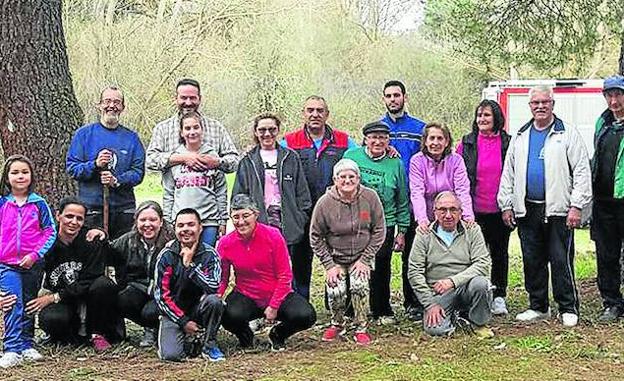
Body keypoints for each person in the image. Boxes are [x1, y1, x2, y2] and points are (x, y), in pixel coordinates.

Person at [498, 85, 592, 327]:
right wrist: (506, 204)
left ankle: (568, 307)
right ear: (529, 106)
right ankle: (538, 306)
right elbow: (508, 173)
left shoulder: (566, 133)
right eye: (535, 103)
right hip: (528, 208)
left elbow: (582, 171)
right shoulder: (520, 136)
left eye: (545, 102)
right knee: (532, 259)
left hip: (559, 210)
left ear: (553, 103)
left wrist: (577, 205)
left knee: (561, 259)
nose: (540, 107)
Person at [218, 194, 316, 351]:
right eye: (235, 217)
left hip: (276, 293)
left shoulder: (273, 236)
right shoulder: (225, 243)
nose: (241, 221)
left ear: (256, 214)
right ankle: (247, 338)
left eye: (245, 215)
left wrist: (274, 305)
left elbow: (285, 276)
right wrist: (216, 297)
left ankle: (278, 334)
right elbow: (222, 278)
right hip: (246, 294)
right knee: (228, 315)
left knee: (306, 315)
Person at [232, 113, 312, 298]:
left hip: (288, 220)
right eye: (262, 130)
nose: (267, 134)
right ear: (255, 132)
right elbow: (239, 195)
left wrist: (299, 218)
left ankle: (293, 305)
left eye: (271, 129)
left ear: (278, 131)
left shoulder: (290, 157)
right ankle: (263, 305)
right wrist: (245, 219)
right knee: (263, 268)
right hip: (259, 220)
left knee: (290, 267)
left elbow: (303, 194)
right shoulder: (248, 161)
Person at [310, 159, 386, 345]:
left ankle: (361, 326)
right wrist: (329, 265)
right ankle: (337, 323)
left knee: (359, 285)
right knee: (336, 289)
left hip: (361, 256)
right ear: (335, 179)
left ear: (358, 178)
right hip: (336, 258)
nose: (347, 180)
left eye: (351, 176)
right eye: (342, 177)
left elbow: (379, 230)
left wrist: (365, 259)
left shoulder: (370, 197)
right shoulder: (324, 203)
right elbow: (315, 236)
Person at [32, 197, 120, 352]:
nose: (73, 222)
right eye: (69, 216)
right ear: (58, 215)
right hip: (64, 300)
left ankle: (97, 333)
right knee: (52, 320)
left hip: (89, 297)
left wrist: (54, 297)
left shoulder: (91, 240)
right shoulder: (46, 242)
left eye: (79, 218)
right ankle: (71, 335)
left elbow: (90, 280)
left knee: (104, 285)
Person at [344, 121, 410, 323]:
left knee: (381, 265)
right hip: (356, 221)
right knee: (353, 264)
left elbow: (402, 199)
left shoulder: (395, 163)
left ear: (388, 140)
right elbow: (339, 184)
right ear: (365, 139)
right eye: (373, 137)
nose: (378, 141)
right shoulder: (351, 157)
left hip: (385, 223)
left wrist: (402, 230)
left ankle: (381, 309)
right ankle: (350, 309)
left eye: (383, 137)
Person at [408, 191, 493, 337]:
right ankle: (455, 316)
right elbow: (414, 272)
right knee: (436, 330)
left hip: (467, 287)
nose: (448, 215)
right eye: (442, 210)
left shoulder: (473, 231)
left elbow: (483, 263)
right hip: (439, 294)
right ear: (434, 212)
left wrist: (453, 282)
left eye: (453, 210)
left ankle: (479, 323)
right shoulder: (424, 234)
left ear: (461, 212)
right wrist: (430, 305)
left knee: (481, 284)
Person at [66, 86, 145, 239]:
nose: (112, 106)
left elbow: (138, 172)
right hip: (91, 210)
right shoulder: (84, 135)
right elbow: (72, 168)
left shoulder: (131, 138)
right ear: (99, 105)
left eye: (117, 102)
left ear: (122, 107)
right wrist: (95, 165)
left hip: (124, 210)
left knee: (123, 257)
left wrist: (117, 181)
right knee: (95, 255)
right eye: (107, 101)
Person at [457, 100, 512, 315]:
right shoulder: (467, 143)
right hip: (474, 211)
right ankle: (474, 295)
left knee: (499, 254)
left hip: (499, 210)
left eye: (487, 115)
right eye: (479, 115)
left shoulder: (507, 143)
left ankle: (499, 296)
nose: (482, 119)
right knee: (472, 256)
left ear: (496, 117)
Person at [0, 155, 56, 368]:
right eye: (15, 172)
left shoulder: (38, 204)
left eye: (24, 172)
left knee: (29, 303)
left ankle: (26, 343)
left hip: (32, 264)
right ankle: (12, 347)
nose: (20, 176)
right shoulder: (2, 203)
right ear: (7, 177)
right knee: (12, 302)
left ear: (31, 176)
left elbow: (50, 231)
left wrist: (34, 255)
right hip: (6, 264)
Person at [381, 80, 427, 322]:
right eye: (388, 96)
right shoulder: (378, 129)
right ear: (384, 99)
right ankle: (382, 305)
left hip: (413, 201)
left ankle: (413, 302)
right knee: (383, 256)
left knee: (413, 255)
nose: (393, 99)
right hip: (386, 203)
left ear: (405, 97)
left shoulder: (419, 128)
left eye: (396, 95)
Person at [153, 208, 224, 362]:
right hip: (174, 312)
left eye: (191, 225)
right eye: (181, 225)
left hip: (199, 308)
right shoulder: (166, 256)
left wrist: (190, 266)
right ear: (175, 229)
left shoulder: (210, 255)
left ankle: (209, 344)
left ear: (200, 228)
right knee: (171, 356)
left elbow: (213, 287)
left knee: (215, 301)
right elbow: (161, 296)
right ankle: (179, 335)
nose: (185, 229)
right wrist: (183, 321)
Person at [108, 201, 175, 347]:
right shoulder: (127, 241)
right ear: (136, 221)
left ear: (161, 221)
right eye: (143, 220)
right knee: (122, 299)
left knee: (150, 312)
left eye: (152, 220)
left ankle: (156, 327)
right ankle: (147, 327)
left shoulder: (172, 242)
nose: (147, 224)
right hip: (139, 288)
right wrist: (97, 234)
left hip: (164, 292)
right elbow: (107, 251)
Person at [146, 78, 239, 177]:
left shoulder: (216, 127)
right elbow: (150, 161)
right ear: (176, 99)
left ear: (200, 98)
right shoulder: (162, 129)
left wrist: (218, 162)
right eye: (183, 98)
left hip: (211, 191)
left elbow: (235, 161)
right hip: (175, 192)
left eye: (192, 98)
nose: (188, 102)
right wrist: (182, 158)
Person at [162, 111, 228, 247]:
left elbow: (221, 191)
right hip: (182, 221)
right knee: (183, 261)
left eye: (196, 127)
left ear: (202, 130)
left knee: (205, 260)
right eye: (187, 128)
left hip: (208, 221)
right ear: (181, 132)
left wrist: (223, 220)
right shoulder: (175, 158)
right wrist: (168, 221)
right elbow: (168, 193)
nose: (192, 132)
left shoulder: (211, 156)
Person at [591, 75, 624, 322]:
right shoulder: (602, 122)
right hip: (603, 202)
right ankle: (611, 303)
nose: (614, 101)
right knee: (606, 254)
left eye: (618, 95)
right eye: (609, 95)